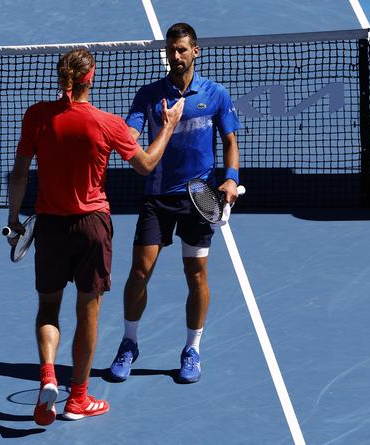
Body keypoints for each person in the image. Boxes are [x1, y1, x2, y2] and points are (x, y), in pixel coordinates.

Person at [7, 48, 184, 425]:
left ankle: (49, 377)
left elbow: (19, 174)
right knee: (88, 312)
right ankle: (79, 399)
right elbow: (146, 164)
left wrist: (14, 221)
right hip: (92, 228)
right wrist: (167, 125)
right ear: (92, 78)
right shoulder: (107, 123)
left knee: (48, 309)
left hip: (51, 228)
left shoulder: (36, 117)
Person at [108, 22, 241, 384]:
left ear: (195, 51)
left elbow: (230, 140)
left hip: (199, 198)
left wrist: (231, 178)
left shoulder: (215, 95)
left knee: (196, 275)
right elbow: (131, 134)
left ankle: (191, 348)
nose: (176, 56)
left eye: (182, 49)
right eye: (171, 50)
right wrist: (126, 138)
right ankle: (129, 343)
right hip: (157, 197)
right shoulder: (149, 96)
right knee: (139, 272)